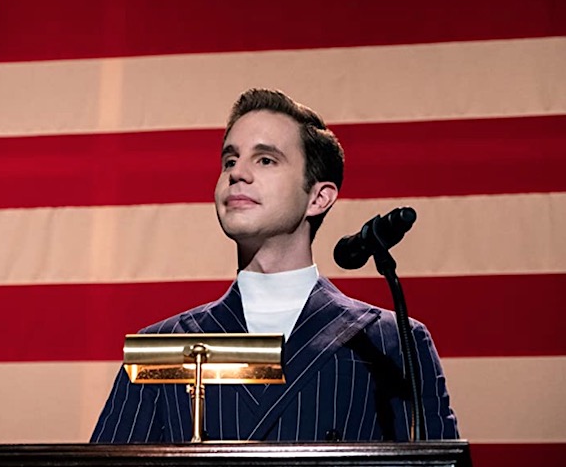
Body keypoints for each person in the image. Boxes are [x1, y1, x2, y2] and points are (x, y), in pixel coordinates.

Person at [90, 89, 458, 442]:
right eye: (230, 160)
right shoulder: (160, 349)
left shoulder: (391, 343)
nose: (238, 173)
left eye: (265, 159)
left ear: (318, 197)